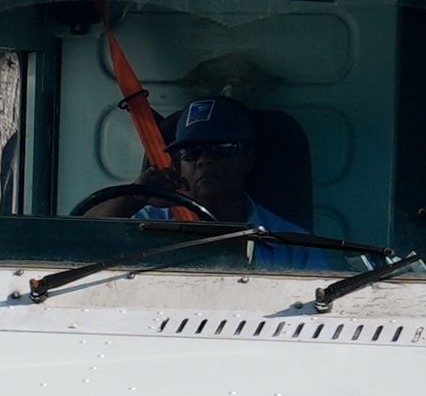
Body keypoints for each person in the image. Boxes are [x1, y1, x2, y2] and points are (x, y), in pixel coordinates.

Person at [140, 94, 331, 269]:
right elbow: (109, 257)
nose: (204, 160)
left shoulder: (295, 246)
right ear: (177, 164)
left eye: (222, 147)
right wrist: (134, 197)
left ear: (247, 159)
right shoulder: (148, 225)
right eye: (190, 151)